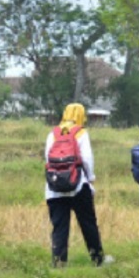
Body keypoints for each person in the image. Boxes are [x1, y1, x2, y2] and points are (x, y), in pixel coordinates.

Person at [45, 103, 112, 268]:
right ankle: (98, 259)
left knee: (60, 227)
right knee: (88, 223)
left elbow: (48, 159)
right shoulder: (81, 133)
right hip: (78, 186)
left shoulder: (52, 134)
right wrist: (90, 178)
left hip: (54, 189)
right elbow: (87, 159)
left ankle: (59, 263)